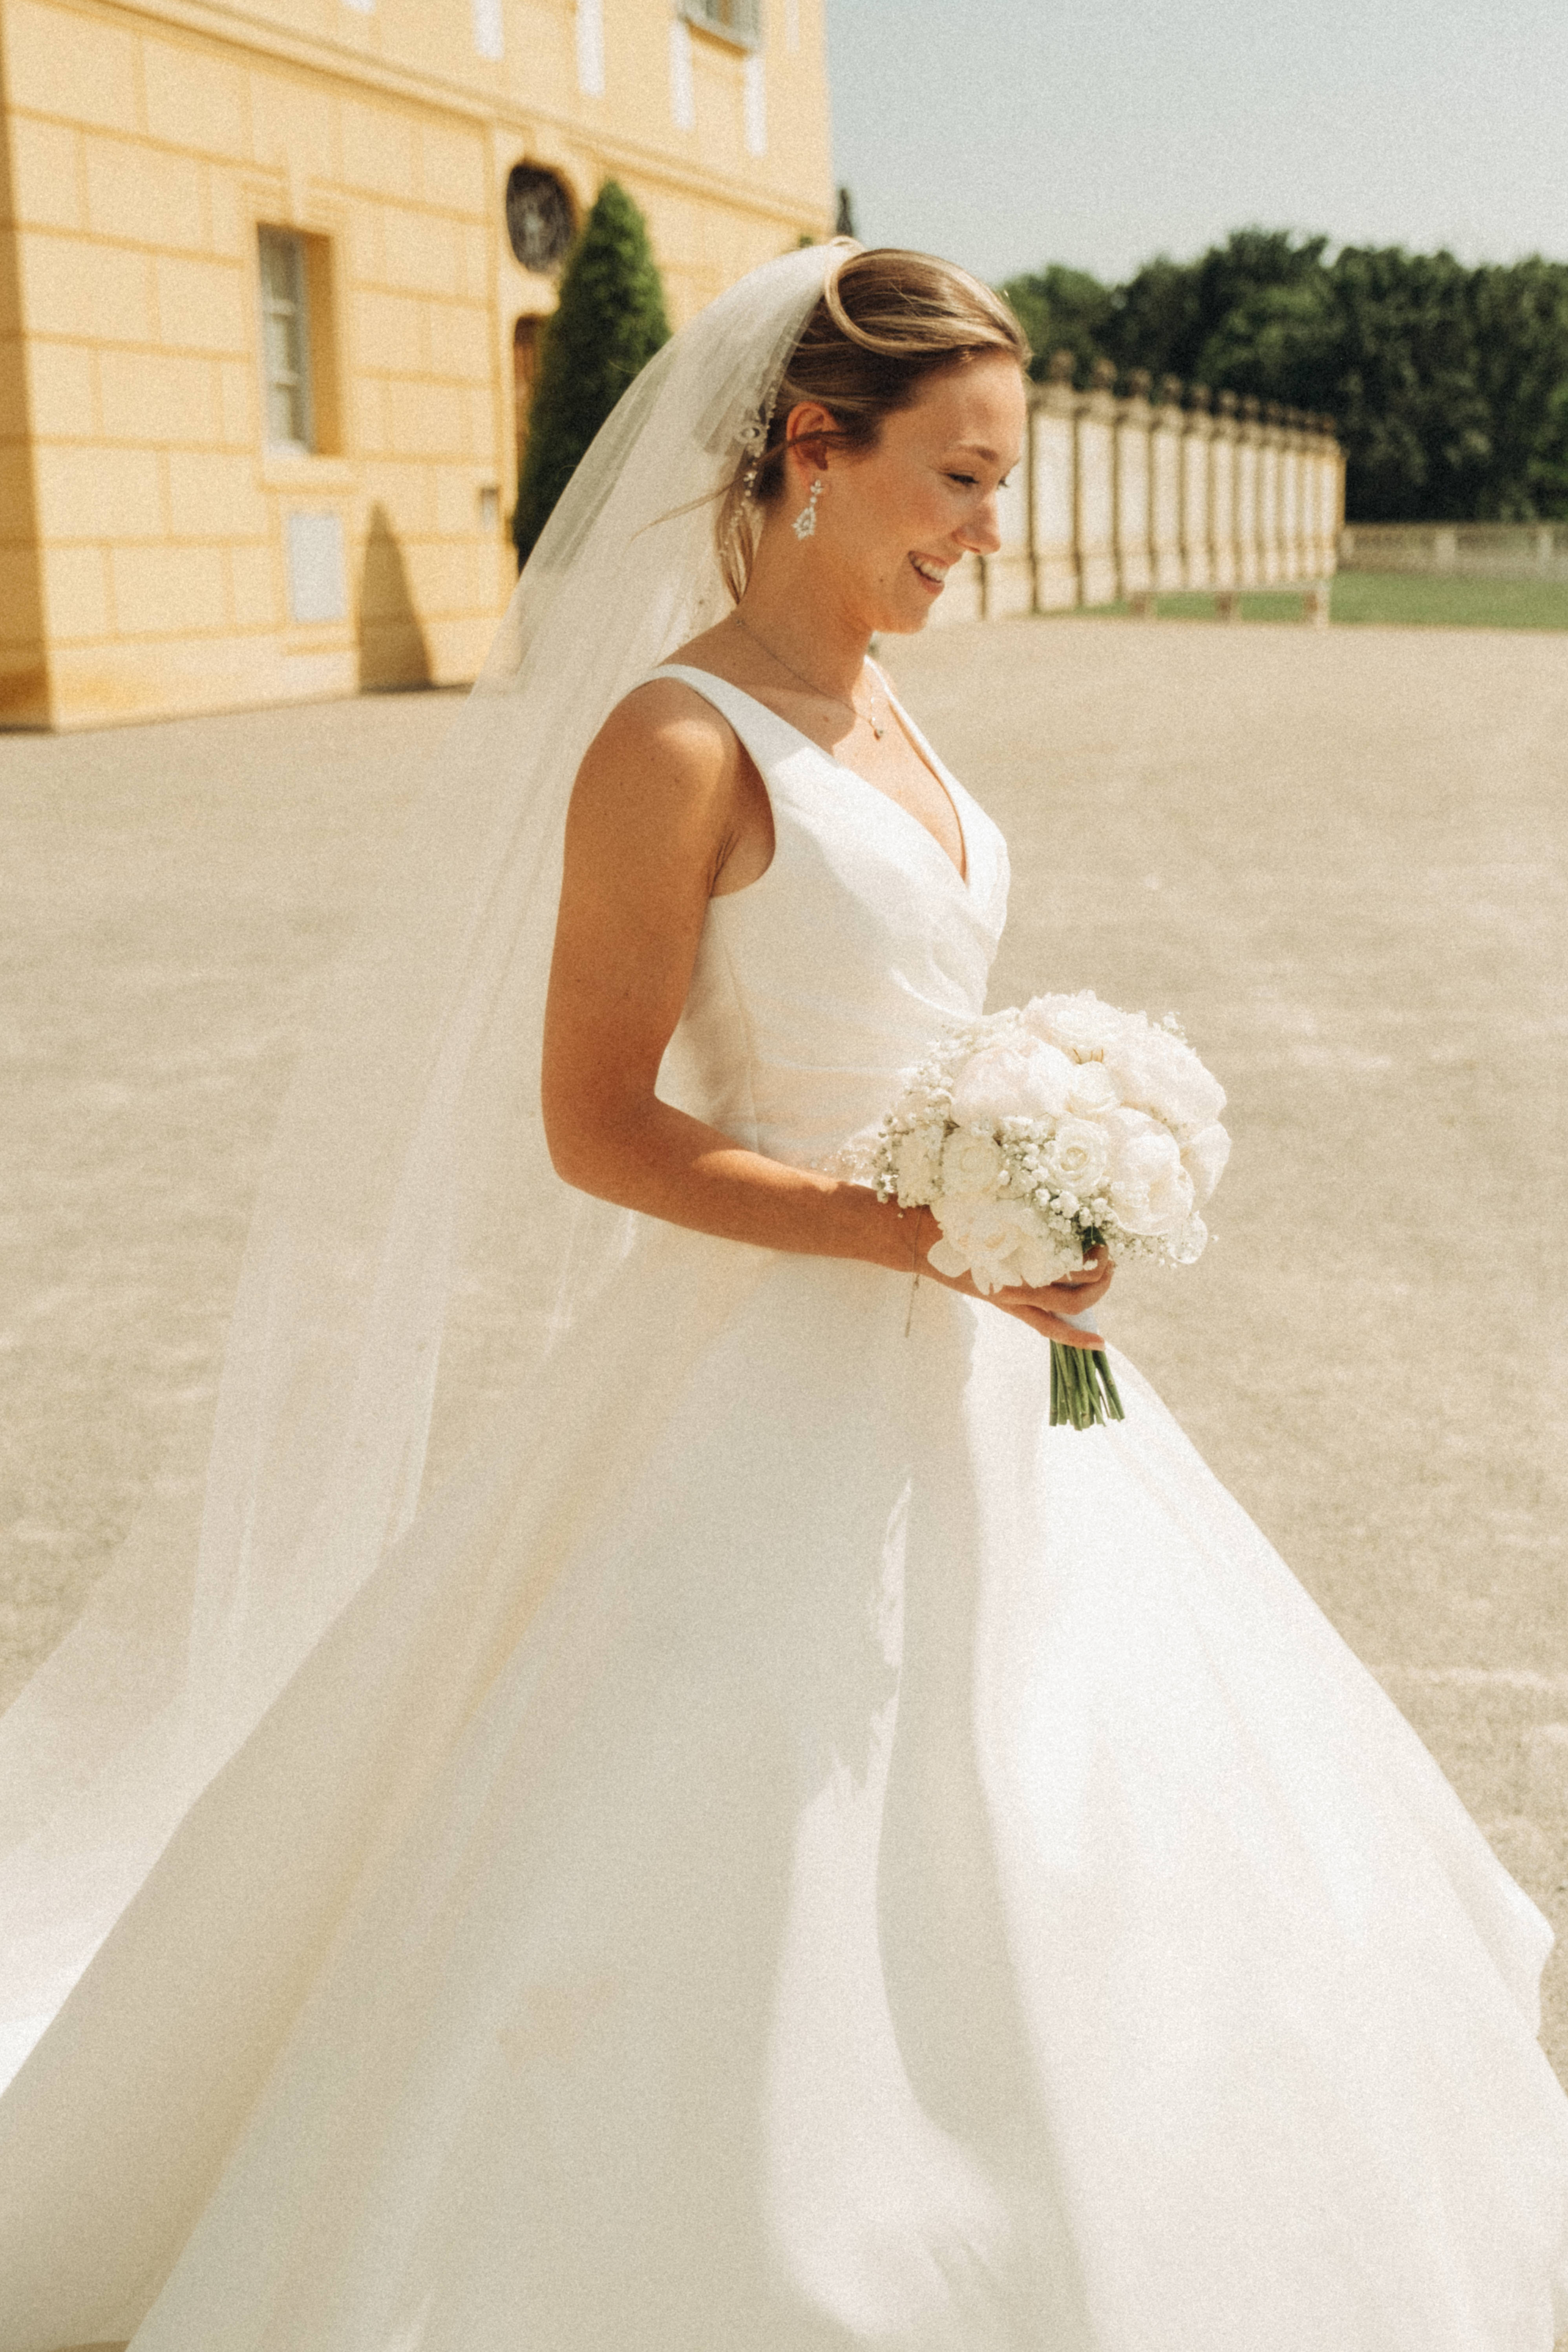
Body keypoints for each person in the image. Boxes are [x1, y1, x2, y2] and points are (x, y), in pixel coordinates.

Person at [2, 242, 1566, 2352]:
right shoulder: (677, 738)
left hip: (993, 1355)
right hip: (770, 1359)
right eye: (961, 479)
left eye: (1002, 484)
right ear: (816, 448)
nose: (988, 531)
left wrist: (1054, 1161)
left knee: (1087, 1793)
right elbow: (595, 1124)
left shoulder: (889, 702)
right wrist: (907, 1229)